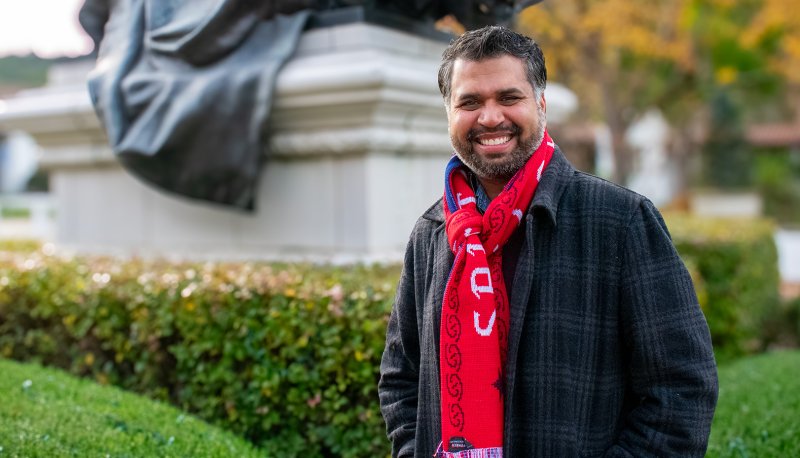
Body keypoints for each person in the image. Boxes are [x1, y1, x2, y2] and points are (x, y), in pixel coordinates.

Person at [378, 25, 718, 457]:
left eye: (509, 97)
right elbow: (401, 377)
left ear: (540, 104)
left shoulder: (620, 221)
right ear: (449, 114)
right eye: (469, 102)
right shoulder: (432, 233)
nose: (489, 117)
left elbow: (681, 389)